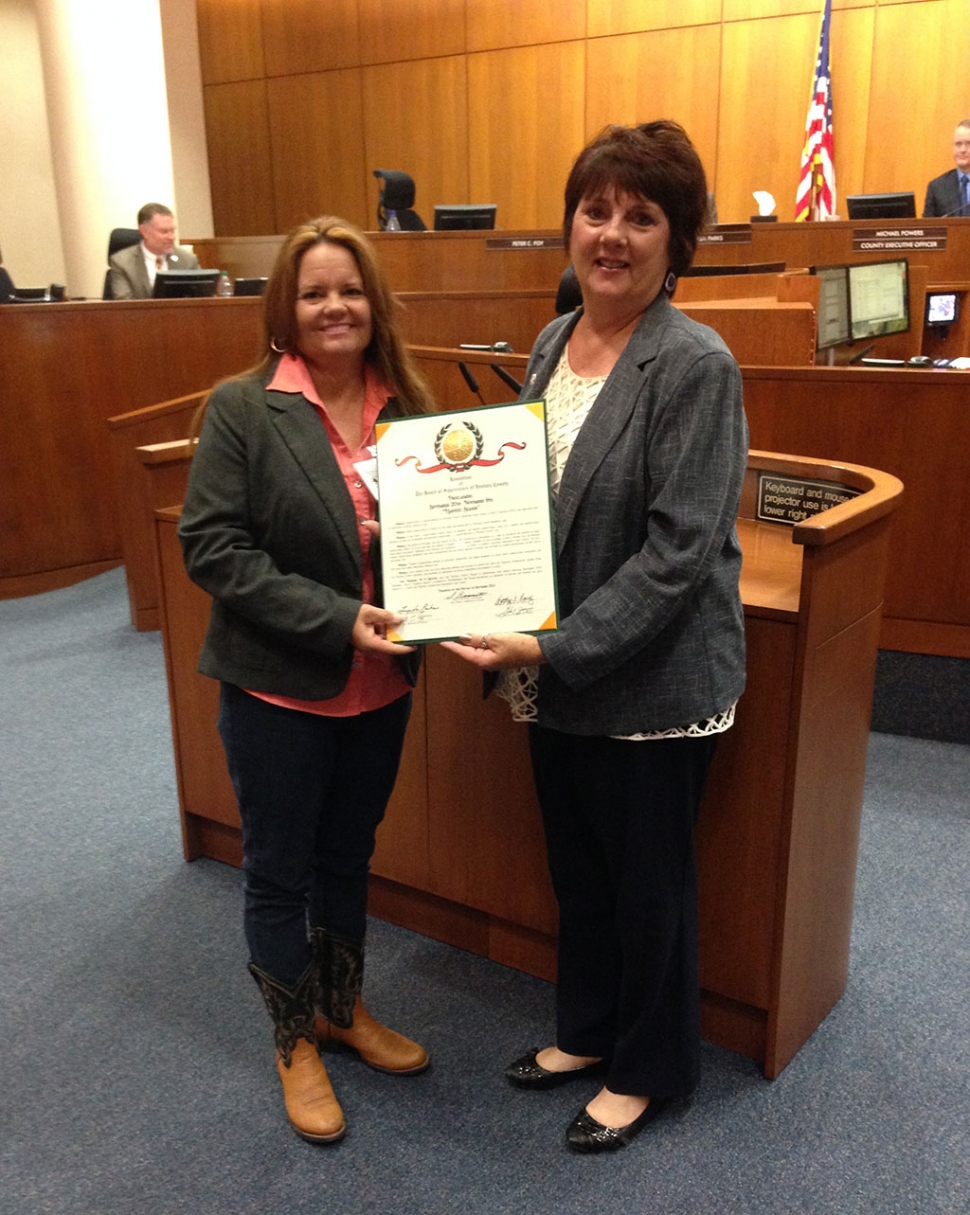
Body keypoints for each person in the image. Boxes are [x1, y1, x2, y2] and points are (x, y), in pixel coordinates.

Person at [443, 122, 748, 1153]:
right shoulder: (551, 337)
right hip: (558, 669)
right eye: (595, 209)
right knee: (578, 867)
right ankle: (585, 1032)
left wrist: (548, 645)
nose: (611, 234)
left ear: (678, 241)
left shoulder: (693, 364)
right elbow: (522, 498)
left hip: (655, 681)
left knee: (647, 885)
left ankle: (649, 1068)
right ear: (569, 221)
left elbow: (676, 556)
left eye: (641, 216)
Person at [178, 216, 435, 1143]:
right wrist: (337, 619)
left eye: (351, 290)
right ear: (285, 307)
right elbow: (211, 547)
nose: (335, 306)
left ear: (375, 305)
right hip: (279, 689)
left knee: (348, 854)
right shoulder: (245, 406)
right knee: (280, 870)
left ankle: (341, 1007)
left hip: (381, 688)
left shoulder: (408, 405)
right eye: (315, 291)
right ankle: (294, 1042)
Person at [107, 202, 200, 299]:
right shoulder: (122, 262)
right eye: (164, 232)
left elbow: (202, 299)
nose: (172, 237)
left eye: (172, 231)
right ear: (144, 231)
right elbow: (125, 305)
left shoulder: (188, 260)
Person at [923, 120, 970, 217]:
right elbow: (928, 227)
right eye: (958, 144)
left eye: (968, 144)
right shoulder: (937, 187)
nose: (962, 150)